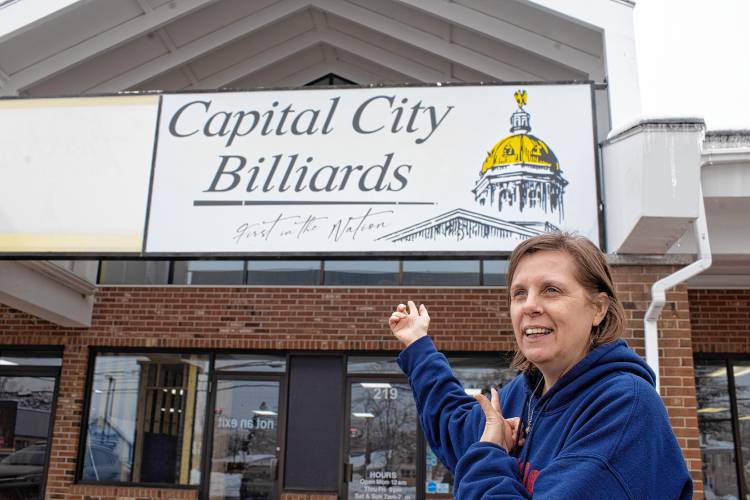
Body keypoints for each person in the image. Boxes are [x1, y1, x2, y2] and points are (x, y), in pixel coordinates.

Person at [389, 233, 692, 499]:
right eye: (519, 293)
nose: (529, 306)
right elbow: (455, 429)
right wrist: (418, 346)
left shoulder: (624, 408)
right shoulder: (525, 394)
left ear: (598, 309)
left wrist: (490, 456)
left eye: (551, 290)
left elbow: (479, 455)